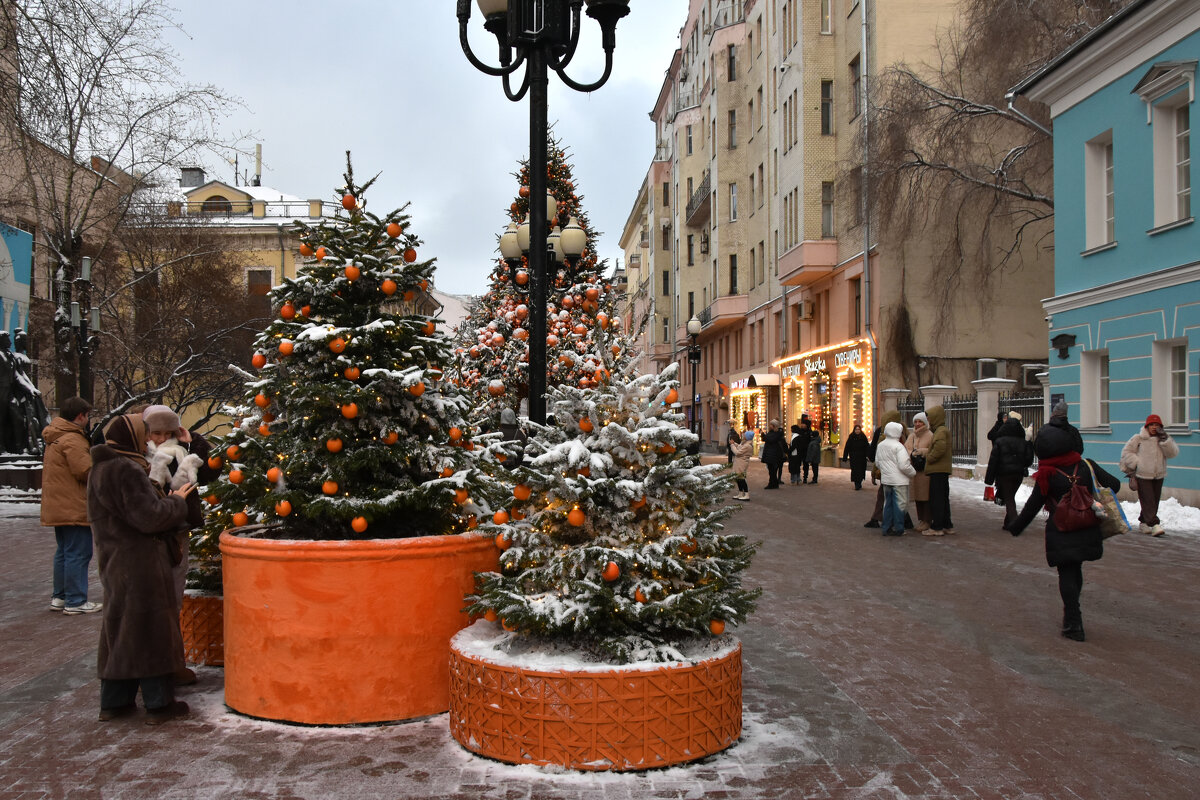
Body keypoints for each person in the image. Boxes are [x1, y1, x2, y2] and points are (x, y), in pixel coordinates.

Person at [89, 413, 195, 723]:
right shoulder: (126, 469)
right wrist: (176, 501)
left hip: (115, 560)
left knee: (121, 630)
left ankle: (115, 701)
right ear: (133, 436)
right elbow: (149, 517)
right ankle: (159, 704)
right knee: (151, 630)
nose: (149, 439)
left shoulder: (101, 468)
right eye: (145, 434)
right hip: (141, 563)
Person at [1009, 418, 1122, 642]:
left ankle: (1073, 621)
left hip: (1061, 528)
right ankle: (1073, 616)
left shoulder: (1047, 473)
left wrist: (1016, 527)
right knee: (1075, 568)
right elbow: (1115, 485)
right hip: (1087, 526)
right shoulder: (1086, 465)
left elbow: (1033, 504)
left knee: (1067, 572)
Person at [142, 405, 220, 685]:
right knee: (152, 602)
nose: (162, 439)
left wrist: (193, 442)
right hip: (148, 537)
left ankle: (173, 664)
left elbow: (211, 473)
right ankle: (155, 670)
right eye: (156, 433)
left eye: (167, 432)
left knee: (174, 599)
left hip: (177, 533)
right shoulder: (139, 457)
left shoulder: (183, 452)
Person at [41, 397, 101, 614]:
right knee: (79, 552)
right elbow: (85, 471)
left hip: (59, 504)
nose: (87, 420)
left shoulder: (55, 435)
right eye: (87, 415)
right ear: (80, 416)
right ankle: (76, 600)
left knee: (64, 552)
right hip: (74, 505)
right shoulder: (73, 439)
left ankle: (60, 596)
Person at [1119, 414, 1179, 536]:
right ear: (1147, 426)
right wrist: (1138, 463)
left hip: (1159, 474)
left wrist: (1165, 440)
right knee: (1148, 499)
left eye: (1157, 425)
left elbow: (1173, 453)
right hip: (1143, 475)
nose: (1154, 427)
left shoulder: (1163, 439)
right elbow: (1127, 452)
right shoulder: (1138, 438)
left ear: (1160, 427)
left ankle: (1144, 522)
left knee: (1154, 500)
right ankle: (1154, 524)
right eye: (1151, 424)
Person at [984, 411, 1035, 531]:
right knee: (1010, 497)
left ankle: (1016, 523)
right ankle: (1008, 523)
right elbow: (1029, 460)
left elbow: (993, 461)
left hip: (1004, 475)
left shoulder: (1000, 442)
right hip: (1018, 475)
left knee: (1009, 498)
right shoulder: (1024, 442)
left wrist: (989, 479)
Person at [875, 421, 916, 536]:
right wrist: (912, 472)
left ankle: (886, 527)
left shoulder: (881, 445)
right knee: (900, 505)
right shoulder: (898, 446)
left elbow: (878, 463)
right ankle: (899, 528)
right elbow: (904, 465)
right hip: (899, 481)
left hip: (887, 480)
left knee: (887, 504)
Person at [924, 405, 954, 536]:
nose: (928, 420)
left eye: (929, 417)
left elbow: (940, 448)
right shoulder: (941, 430)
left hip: (938, 470)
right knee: (943, 498)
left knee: (937, 499)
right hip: (941, 469)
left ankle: (937, 527)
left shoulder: (940, 431)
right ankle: (947, 524)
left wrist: (929, 458)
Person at [905, 412, 934, 531]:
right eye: (916, 422)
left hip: (925, 470)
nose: (917, 424)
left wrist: (921, 451)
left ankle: (927, 520)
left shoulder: (930, 435)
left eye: (920, 421)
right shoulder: (912, 436)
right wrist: (911, 453)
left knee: (925, 496)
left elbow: (933, 450)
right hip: (915, 470)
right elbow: (906, 448)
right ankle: (921, 519)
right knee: (917, 497)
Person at [841, 423, 870, 490]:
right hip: (854, 458)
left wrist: (868, 455)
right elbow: (847, 447)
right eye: (856, 429)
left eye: (858, 429)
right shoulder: (851, 437)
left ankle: (859, 482)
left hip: (862, 458)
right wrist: (845, 457)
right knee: (855, 471)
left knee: (861, 470)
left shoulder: (863, 437)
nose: (857, 431)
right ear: (854, 430)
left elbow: (867, 447)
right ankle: (857, 484)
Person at [760, 419, 786, 490]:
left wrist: (765, 437)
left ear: (774, 426)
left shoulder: (777, 433)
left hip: (773, 454)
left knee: (773, 470)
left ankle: (772, 483)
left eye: (771, 425)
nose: (769, 426)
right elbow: (768, 439)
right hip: (769, 453)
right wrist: (764, 436)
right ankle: (774, 483)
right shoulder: (771, 433)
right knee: (771, 470)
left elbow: (771, 440)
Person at [730, 431, 752, 501]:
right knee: (738, 478)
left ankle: (746, 494)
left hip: (742, 463)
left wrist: (732, 445)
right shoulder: (745, 443)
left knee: (741, 478)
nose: (743, 436)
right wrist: (735, 444)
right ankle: (740, 493)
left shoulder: (747, 446)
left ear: (747, 437)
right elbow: (740, 447)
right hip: (739, 463)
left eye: (745, 435)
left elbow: (738, 453)